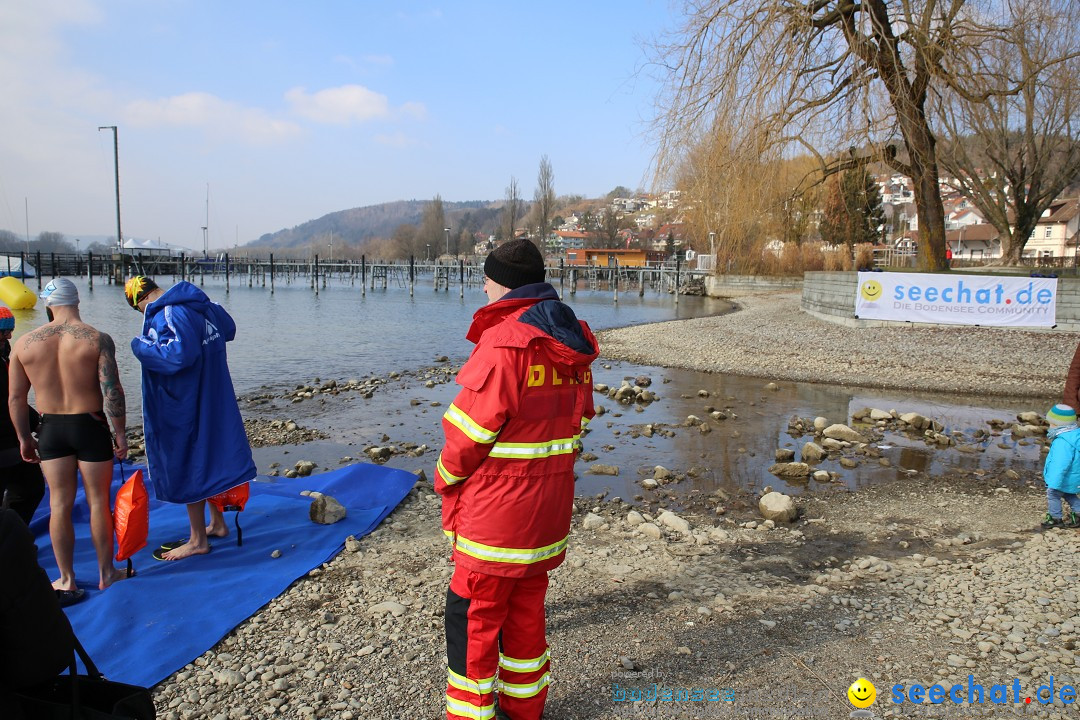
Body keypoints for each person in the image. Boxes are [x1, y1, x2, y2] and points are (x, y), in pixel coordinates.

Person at [434, 238, 599, 720]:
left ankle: (470, 716)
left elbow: (465, 439)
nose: (482, 285)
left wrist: (445, 484)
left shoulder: (505, 342)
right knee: (526, 613)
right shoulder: (571, 337)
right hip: (547, 511)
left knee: (474, 618)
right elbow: (579, 420)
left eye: (486, 278)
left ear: (503, 284)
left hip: (496, 517)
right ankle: (525, 711)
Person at [7, 278, 129, 600]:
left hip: (50, 430)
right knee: (98, 503)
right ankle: (107, 573)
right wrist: (120, 434)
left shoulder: (24, 343)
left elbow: (16, 399)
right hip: (90, 426)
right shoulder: (97, 339)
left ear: (48, 304)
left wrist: (24, 438)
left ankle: (66, 579)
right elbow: (112, 391)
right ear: (76, 302)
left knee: (59, 504)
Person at [124, 276, 255, 561]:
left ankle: (197, 540)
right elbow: (229, 329)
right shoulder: (204, 305)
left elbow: (177, 356)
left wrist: (140, 346)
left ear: (141, 300)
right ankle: (218, 524)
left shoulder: (167, 312)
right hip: (214, 394)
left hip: (187, 400)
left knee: (188, 461)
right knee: (208, 458)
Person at [1, 306, 45, 525]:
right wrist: (35, 426)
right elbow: (9, 399)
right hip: (6, 441)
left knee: (31, 489)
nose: (9, 335)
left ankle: (12, 533)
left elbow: (14, 399)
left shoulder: (5, 355)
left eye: (11, 329)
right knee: (29, 488)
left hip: (12, 437)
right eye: (3, 331)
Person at [1042, 403, 1080, 528]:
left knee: (1053, 494)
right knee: (1069, 494)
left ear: (1058, 425)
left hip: (1063, 476)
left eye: (1051, 424)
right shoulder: (1074, 436)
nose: (1049, 427)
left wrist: (1054, 480)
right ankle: (1079, 515)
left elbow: (1060, 463)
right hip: (1073, 476)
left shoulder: (1063, 442)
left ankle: (1055, 518)